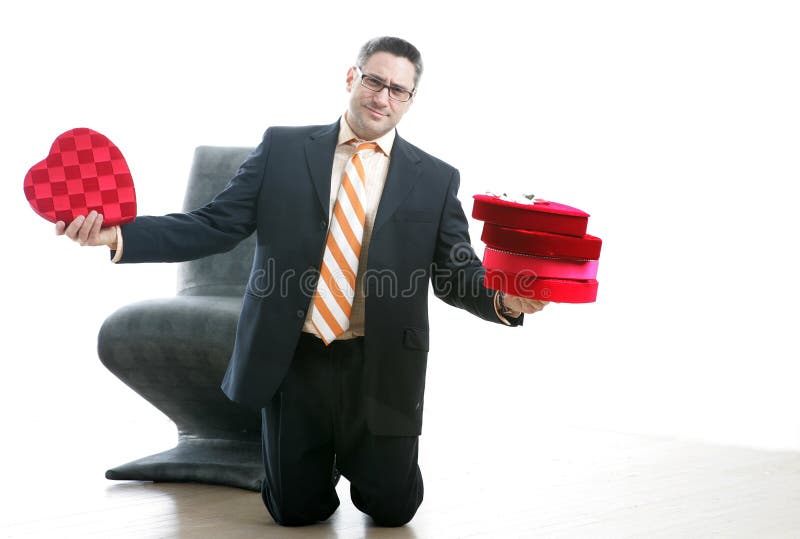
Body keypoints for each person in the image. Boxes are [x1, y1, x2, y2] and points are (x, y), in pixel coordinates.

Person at [57, 36, 548, 527]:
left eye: (398, 90)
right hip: (295, 357)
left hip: (380, 365)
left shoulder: (436, 178)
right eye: (375, 81)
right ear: (352, 77)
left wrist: (502, 299)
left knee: (392, 510)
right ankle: (313, 459)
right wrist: (118, 234)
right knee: (293, 512)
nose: (383, 97)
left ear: (412, 100)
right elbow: (212, 224)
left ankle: (363, 456)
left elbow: (455, 271)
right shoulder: (283, 149)